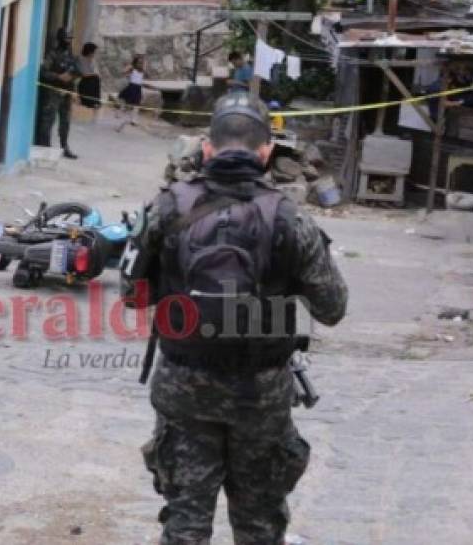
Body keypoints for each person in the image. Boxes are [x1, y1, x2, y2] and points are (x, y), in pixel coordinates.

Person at [128, 92, 348, 544]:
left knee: (185, 523)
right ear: (267, 153)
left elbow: (132, 294)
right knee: (260, 525)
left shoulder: (166, 207)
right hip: (261, 394)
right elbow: (332, 308)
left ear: (207, 148)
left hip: (184, 388)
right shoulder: (291, 219)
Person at [37, 27, 81, 159]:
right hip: (53, 92)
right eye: (66, 38)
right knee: (48, 121)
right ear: (61, 39)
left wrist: (74, 91)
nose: (68, 41)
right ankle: (45, 148)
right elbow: (44, 72)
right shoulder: (52, 55)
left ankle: (64, 146)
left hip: (66, 93)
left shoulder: (71, 56)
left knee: (65, 122)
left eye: (70, 38)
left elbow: (76, 72)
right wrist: (58, 77)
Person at [116, 55, 146, 132]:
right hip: (131, 87)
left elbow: (141, 80)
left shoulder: (142, 71)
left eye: (142, 63)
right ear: (135, 63)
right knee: (126, 101)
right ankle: (120, 111)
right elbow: (123, 72)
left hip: (138, 88)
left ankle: (134, 120)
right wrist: (130, 67)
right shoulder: (132, 69)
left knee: (136, 104)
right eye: (139, 63)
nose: (141, 64)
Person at [77, 42, 101, 110]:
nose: (94, 54)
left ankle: (95, 101)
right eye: (94, 52)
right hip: (82, 81)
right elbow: (84, 74)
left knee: (96, 79)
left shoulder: (91, 60)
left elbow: (94, 72)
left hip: (90, 80)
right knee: (95, 78)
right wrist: (94, 74)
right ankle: (89, 101)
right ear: (90, 52)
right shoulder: (80, 59)